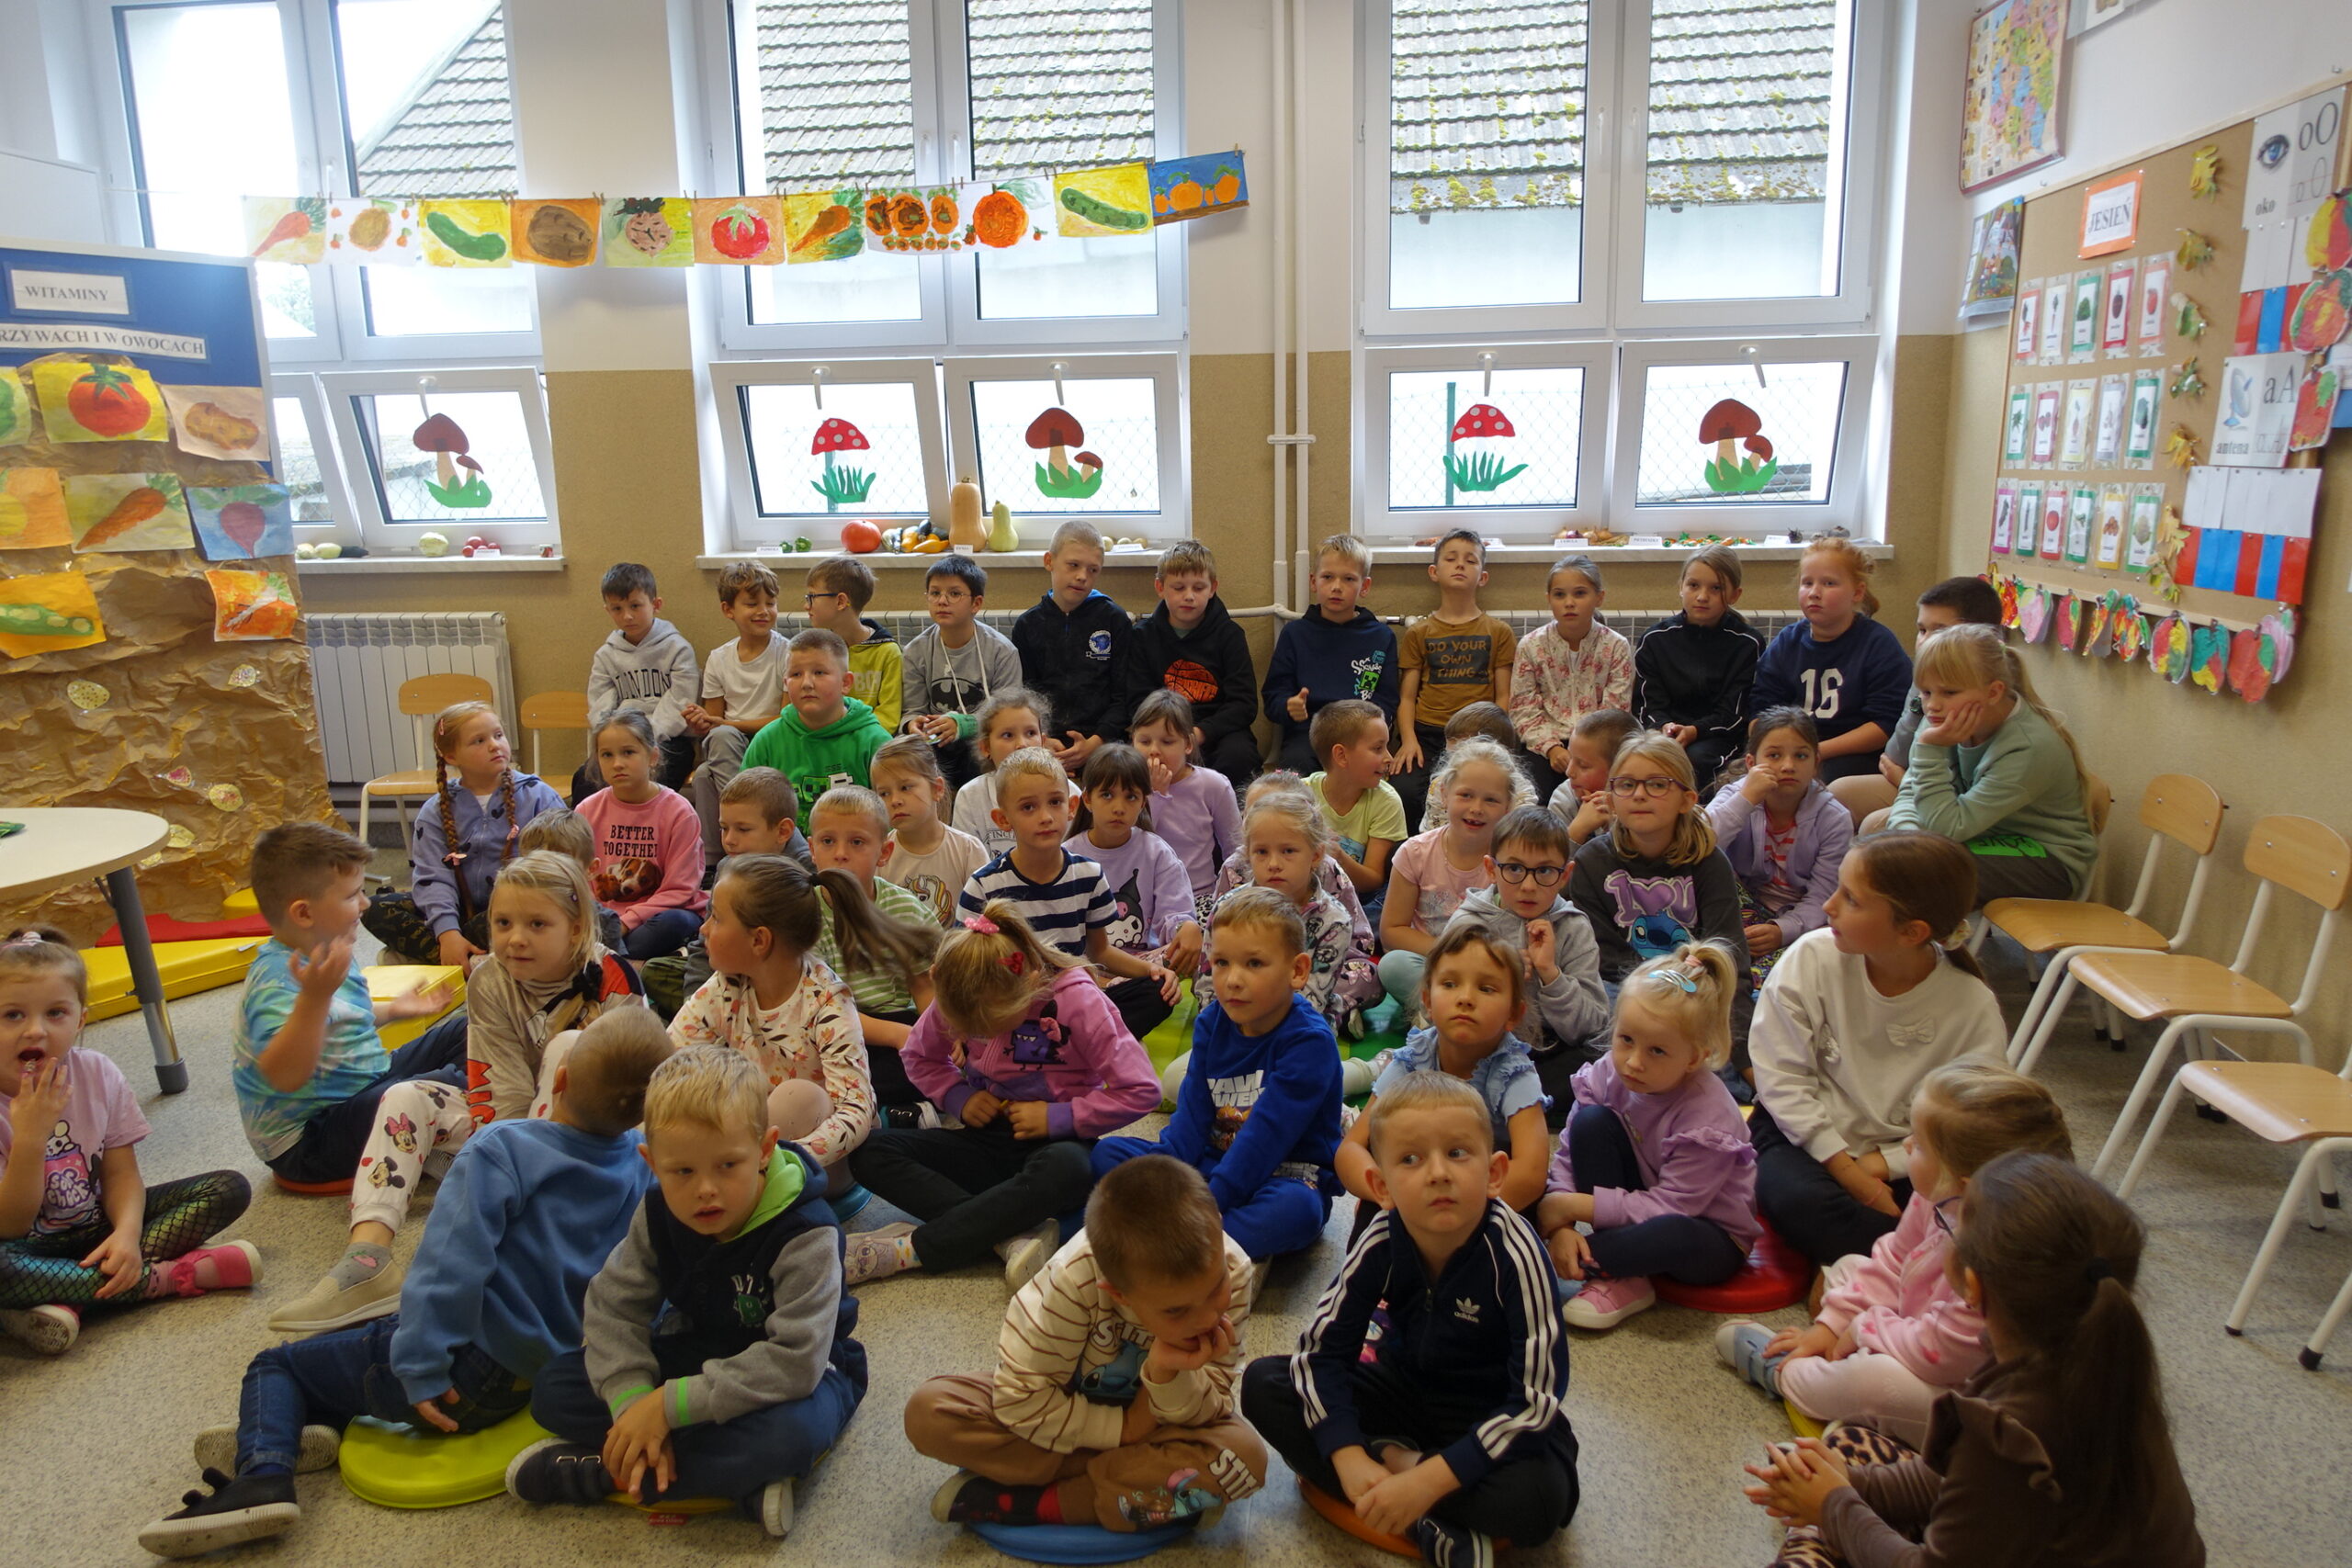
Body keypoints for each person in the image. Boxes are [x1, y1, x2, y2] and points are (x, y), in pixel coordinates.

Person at [138, 1010, 670, 1559]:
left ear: (557, 1080)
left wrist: (419, 1365)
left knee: (279, 1366)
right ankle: (299, 1428)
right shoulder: (641, 1170)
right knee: (352, 1347)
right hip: (532, 1376)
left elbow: (448, 1266)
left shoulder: (504, 1148)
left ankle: (262, 1478)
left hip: (461, 1374)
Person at [1740, 1152, 2206, 1568]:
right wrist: (1853, 1486)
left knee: (1830, 1504)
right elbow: (1952, 1478)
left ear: (1972, 1284)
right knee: (1849, 1447)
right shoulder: (2101, 1360)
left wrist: (1833, 1507)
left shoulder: (2007, 1432)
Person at [269, 852, 645, 1336]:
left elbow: (622, 1098)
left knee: (568, 1051)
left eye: (536, 924)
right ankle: (368, 1261)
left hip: (595, 1144)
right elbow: (496, 1086)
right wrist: (496, 1168)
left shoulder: (612, 977)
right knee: (405, 1097)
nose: (515, 938)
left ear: (574, 929)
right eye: (503, 923)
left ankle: (529, 1233)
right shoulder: (490, 977)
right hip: (516, 1130)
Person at [514, 1046, 866, 1536]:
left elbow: (796, 1362)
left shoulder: (807, 1232)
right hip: (698, 1353)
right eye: (683, 1171)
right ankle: (727, 1480)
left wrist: (664, 1408)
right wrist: (633, 1404)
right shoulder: (659, 1209)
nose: (705, 1190)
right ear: (652, 1163)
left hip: (804, 1374)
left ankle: (608, 1471)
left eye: (727, 1165)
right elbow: (613, 1307)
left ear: (765, 1149)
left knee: (788, 1438)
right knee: (554, 1389)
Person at [1241, 1073, 1579, 1564]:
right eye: (1411, 1160)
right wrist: (1346, 1454)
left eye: (1458, 1153)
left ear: (1494, 1173)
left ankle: (1401, 1476)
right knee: (1263, 1384)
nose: (1438, 1173)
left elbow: (1535, 1400)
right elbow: (1319, 1357)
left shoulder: (1515, 1251)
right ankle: (1418, 1511)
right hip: (1402, 1392)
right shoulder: (1382, 1237)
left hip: (1488, 1413)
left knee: (1539, 1501)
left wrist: (1427, 1478)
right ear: (1382, 1185)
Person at [1719, 1061, 2073, 1449]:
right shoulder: (1938, 1195)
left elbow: (1943, 1353)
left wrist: (1862, 1328)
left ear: (1964, 1184)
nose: (1905, 1146)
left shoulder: (2004, 1258)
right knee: (1849, 1267)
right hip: (1926, 1338)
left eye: (1919, 1144)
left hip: (1973, 1405)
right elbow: (1893, 1259)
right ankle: (1857, 1397)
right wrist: (1832, 1326)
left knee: (1875, 1383)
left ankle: (1785, 1375)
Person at [908, 1156, 1264, 1534]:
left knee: (1246, 1461)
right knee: (928, 1413)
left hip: (1155, 1426)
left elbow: (1212, 1407)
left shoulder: (1234, 1269)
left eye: (1215, 1288)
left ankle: (1037, 1501)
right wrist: (1126, 1430)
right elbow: (1022, 1400)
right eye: (1176, 1310)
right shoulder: (1072, 1279)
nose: (1207, 1318)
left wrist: (1167, 1375)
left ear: (1219, 1227)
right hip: (1070, 1408)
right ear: (1118, 1293)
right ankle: (1129, 1488)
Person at [846, 905, 1159, 1291]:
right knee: (867, 1151)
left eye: (987, 1028)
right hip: (987, 1137)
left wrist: (1057, 1117)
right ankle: (1004, 1233)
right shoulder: (959, 989)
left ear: (1028, 984)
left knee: (1071, 1169)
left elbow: (1141, 1089)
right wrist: (959, 1097)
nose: (976, 1037)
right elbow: (918, 1055)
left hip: (1057, 1144)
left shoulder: (1078, 1001)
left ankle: (918, 1248)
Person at [1747, 833, 2008, 1269]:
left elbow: (1971, 1121)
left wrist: (1882, 1165)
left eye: (1851, 899)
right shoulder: (1811, 956)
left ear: (1912, 932)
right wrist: (1851, 1175)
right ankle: (1899, 1263)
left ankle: (1864, 1263)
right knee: (1798, 1199)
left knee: (1980, 1212)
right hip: (1802, 1137)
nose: (1829, 906)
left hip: (1910, 1157)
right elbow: (1782, 1079)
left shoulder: (1971, 1004)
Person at [0, 927, 253, 1356]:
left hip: (96, 1225)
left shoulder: (98, 1072)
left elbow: (120, 1175)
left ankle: (64, 1294)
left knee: (229, 1187)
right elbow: (11, 1226)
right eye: (12, 1016)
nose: (35, 1031)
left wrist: (128, 1236)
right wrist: (29, 1138)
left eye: (56, 1013)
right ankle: (167, 1278)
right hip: (24, 1245)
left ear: (80, 1019)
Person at [1091, 890, 1342, 1259]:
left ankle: (1177, 1238)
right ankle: (1208, 1243)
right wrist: (1172, 1171)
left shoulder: (1309, 1041)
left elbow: (1266, 1139)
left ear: (1297, 971)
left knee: (1297, 1212)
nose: (1233, 980)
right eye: (1222, 962)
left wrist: (1211, 1201)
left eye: (1254, 963)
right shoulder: (1212, 1021)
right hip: (1210, 1165)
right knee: (1107, 1154)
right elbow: (1191, 1116)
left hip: (1285, 1173)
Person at [232, 824, 467, 1192]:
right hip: (310, 1141)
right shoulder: (276, 982)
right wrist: (314, 999)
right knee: (436, 1086)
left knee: (466, 1030)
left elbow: (337, 1016)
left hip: (364, 1086)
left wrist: (392, 1010)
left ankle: (455, 1115)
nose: (365, 903)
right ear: (304, 913)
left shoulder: (329, 945)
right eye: (352, 895)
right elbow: (283, 1075)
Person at [1539, 942, 1757, 1333]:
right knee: (1590, 1122)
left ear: (1694, 1057)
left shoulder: (1709, 1117)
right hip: (1640, 1204)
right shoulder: (1610, 1070)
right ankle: (1618, 1269)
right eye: (1626, 1040)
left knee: (1674, 1234)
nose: (1634, 1062)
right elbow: (1569, 1149)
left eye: (1657, 1051)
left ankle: (1592, 1262)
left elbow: (1674, 1207)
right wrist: (1561, 1226)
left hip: (1704, 1234)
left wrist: (1575, 1208)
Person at [670, 854, 898, 1190]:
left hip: (820, 1159)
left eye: (716, 918)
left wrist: (769, 1158)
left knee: (796, 1097)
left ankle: (741, 1185)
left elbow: (857, 1111)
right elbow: (671, 1059)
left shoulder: (825, 999)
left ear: (759, 940)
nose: (703, 929)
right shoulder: (726, 985)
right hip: (749, 1139)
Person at [1339, 922, 1553, 1225]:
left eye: (1486, 988)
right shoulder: (1414, 1058)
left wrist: (1460, 1215)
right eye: (1450, 984)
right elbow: (1352, 1148)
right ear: (1427, 1002)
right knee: (1374, 1207)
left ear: (1513, 1014)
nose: (1465, 998)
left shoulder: (1511, 1071)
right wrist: (1386, 1192)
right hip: (1414, 1195)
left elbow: (1531, 1174)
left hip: (1489, 1200)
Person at [959, 746, 1179, 1040]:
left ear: (1072, 806)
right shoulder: (984, 886)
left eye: (1055, 802)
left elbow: (1099, 951)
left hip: (1077, 999)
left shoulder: (1088, 874)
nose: (1046, 817)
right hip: (1017, 1005)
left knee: (1157, 991)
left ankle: (1074, 1041)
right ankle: (1081, 1042)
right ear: (1003, 819)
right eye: (1028, 807)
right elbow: (969, 966)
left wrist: (1152, 971)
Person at [1883, 624, 2098, 905]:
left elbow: (1948, 827)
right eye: (1925, 692)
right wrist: (1907, 838)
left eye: (1949, 692)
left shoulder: (2029, 747)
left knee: (1923, 874)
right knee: (1884, 855)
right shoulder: (1942, 718)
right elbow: (1911, 792)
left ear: (1994, 692)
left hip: (2045, 858)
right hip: (1977, 834)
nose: (1932, 705)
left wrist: (1929, 749)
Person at [1566, 733, 1750, 1037]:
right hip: (1623, 987)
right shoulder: (1591, 862)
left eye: (1657, 784)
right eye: (1627, 784)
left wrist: (1736, 1046)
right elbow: (1605, 962)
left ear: (1687, 800)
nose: (1639, 794)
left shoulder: (1710, 862)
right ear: (1610, 799)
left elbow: (1728, 955)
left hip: (1695, 987)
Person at [359, 699, 564, 967]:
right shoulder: (435, 811)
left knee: (508, 920)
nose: (494, 745)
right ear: (451, 757)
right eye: (479, 741)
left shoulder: (539, 796)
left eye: (498, 735)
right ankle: (461, 956)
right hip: (458, 912)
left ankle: (440, 959)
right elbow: (432, 877)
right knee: (374, 907)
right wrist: (447, 932)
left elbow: (561, 867)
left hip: (517, 913)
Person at [1441, 805, 1608, 1109]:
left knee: (1602, 1056)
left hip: (1548, 1050)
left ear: (1565, 875)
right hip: (1481, 1047)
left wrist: (1551, 974)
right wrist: (1496, 975)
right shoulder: (1468, 923)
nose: (1528, 886)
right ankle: (1510, 1101)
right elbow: (1441, 1007)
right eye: (1515, 869)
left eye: (1544, 871)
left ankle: (1501, 1100)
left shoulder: (1573, 927)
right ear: (1491, 869)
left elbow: (1590, 1025)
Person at [804, 785, 944, 1115]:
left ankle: (891, 1112)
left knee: (932, 1062)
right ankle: (890, 1114)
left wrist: (937, 1033)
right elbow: (818, 1008)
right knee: (816, 1073)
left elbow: (924, 986)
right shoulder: (804, 914)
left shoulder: (904, 907)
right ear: (812, 849)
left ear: (884, 851)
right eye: (828, 841)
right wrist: (897, 1035)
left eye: (857, 842)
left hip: (897, 1020)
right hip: (831, 1026)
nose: (841, 854)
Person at [1826, 576, 2003, 832]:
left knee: (1874, 827)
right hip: (1922, 781)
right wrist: (1920, 699)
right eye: (1922, 630)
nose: (1925, 641)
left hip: (1957, 802)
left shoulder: (1981, 694)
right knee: (1839, 793)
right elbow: (1896, 755)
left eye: (1939, 631)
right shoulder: (1930, 678)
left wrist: (1904, 780)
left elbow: (1957, 795)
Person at [1379, 736, 1531, 1012]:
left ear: (1508, 806)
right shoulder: (1415, 852)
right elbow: (1392, 932)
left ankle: (1450, 1015)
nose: (1476, 808)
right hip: (1433, 962)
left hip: (1490, 970)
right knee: (1393, 965)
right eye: (1466, 795)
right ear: (1445, 793)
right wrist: (1453, 954)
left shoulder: (1512, 863)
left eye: (1491, 800)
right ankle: (1454, 1015)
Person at [1706, 708, 1852, 990]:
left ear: (1816, 762)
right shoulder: (1737, 796)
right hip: (1737, 907)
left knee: (1783, 977)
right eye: (1774, 755)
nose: (1787, 766)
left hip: (1798, 919)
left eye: (1801, 756)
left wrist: (1781, 930)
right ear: (1751, 762)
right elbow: (1701, 846)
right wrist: (1747, 798)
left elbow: (1823, 896)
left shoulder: (1834, 818)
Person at [641, 767, 802, 1020]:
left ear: (782, 831)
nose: (729, 840)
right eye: (724, 828)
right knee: (655, 971)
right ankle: (718, 1016)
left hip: (780, 984)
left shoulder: (803, 874)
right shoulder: (728, 866)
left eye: (743, 829)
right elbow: (703, 944)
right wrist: (693, 1003)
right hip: (728, 969)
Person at [1752, 536, 1913, 784]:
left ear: (1857, 592)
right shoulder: (1787, 642)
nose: (1814, 593)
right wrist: (1770, 751)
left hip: (1852, 755)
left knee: (1820, 784)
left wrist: (1815, 753)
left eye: (1829, 583)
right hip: (1791, 751)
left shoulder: (1878, 644)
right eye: (1807, 583)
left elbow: (1885, 724)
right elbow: (1761, 708)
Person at [1223, 788, 1382, 1037]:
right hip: (1240, 1004)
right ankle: (1337, 1014)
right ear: (1247, 854)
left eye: (1288, 851)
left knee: (1368, 975)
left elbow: (1315, 993)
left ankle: (1335, 1012)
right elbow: (1211, 976)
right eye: (1262, 852)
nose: (1274, 864)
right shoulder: (1228, 907)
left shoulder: (1334, 918)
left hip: (1302, 1010)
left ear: (1316, 855)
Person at [1392, 530, 1518, 825]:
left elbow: (1503, 697)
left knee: (1473, 796)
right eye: (1451, 559)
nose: (1460, 564)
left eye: (1470, 560)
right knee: (1405, 793)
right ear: (1434, 572)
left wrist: (1496, 742)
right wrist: (1408, 740)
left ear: (1483, 577)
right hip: (1427, 735)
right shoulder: (1419, 633)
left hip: (1479, 735)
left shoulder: (1499, 632)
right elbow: (1407, 697)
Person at [1121, 540, 1260, 794]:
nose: (1189, 596)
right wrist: (1170, 737)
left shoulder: (1230, 635)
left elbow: (1244, 703)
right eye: (1178, 587)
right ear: (1160, 587)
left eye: (1198, 587)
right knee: (1132, 761)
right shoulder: (1142, 637)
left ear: (1212, 588)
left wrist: (1200, 733)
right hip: (1162, 732)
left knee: (1239, 756)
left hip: (1217, 732)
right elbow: (1137, 701)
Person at [575, 708, 707, 960]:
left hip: (656, 918)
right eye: (607, 754)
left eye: (628, 752)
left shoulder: (679, 812)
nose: (617, 763)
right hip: (603, 919)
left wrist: (626, 923)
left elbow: (680, 889)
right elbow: (578, 879)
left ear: (653, 756)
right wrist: (602, 920)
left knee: (676, 922)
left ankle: (609, 957)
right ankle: (619, 957)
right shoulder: (586, 810)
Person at [1070, 744, 1204, 992]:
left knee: (1192, 954)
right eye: (1107, 795)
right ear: (1087, 799)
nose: (1119, 807)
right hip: (1085, 970)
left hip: (1143, 967)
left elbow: (1175, 913)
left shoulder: (1157, 852)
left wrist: (1186, 928)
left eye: (1130, 797)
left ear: (1143, 802)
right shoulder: (1068, 856)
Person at [1264, 533, 1400, 774]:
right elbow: (1273, 696)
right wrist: (1289, 706)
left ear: (1365, 586)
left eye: (1349, 579)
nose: (1337, 587)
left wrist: (1370, 731)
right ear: (1313, 581)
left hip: (1361, 737)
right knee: (1296, 768)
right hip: (1308, 735)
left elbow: (1387, 701)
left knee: (1370, 771)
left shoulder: (1381, 637)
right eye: (1328, 577)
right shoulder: (1295, 634)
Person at [1632, 545, 1764, 790]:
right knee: (1644, 760)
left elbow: (1735, 713)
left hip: (1719, 736)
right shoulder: (1655, 639)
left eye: (1716, 588)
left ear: (1735, 594)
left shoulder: (1747, 643)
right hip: (1664, 733)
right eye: (1693, 585)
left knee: (1695, 761)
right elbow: (1647, 705)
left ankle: (1696, 814)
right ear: (1681, 587)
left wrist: (1695, 730)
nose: (1702, 596)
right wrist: (1665, 727)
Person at [683, 561, 787, 863]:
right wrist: (701, 721)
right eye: (752, 604)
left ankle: (746, 827)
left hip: (772, 741)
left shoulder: (787, 652)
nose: (764, 611)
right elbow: (714, 724)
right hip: (731, 745)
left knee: (706, 773)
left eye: (771, 603)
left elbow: (786, 719)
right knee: (708, 764)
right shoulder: (719, 659)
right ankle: (716, 863)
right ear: (728, 610)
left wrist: (728, 724)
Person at [1510, 553, 1634, 804]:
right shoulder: (1531, 646)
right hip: (1544, 746)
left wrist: (1584, 754)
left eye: (1579, 593)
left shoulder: (1616, 646)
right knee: (1533, 798)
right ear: (1549, 599)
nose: (1569, 603)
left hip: (1598, 747)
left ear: (1599, 597)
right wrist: (1552, 748)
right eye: (1559, 595)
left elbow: (1615, 711)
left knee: (1600, 796)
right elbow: (1523, 709)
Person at [1012, 521, 1132, 773]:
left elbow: (1123, 697)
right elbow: (1026, 696)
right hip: (1045, 741)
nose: (1082, 576)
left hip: (1104, 742)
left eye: (1093, 569)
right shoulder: (1027, 625)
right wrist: (1042, 739)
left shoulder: (1114, 620)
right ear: (1049, 561)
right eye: (1073, 565)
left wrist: (1096, 742)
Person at [900, 553, 1022, 793]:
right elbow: (912, 710)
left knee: (981, 750)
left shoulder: (1002, 651)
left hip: (983, 741)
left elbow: (1009, 717)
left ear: (976, 603)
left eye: (954, 594)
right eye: (935, 593)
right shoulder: (916, 651)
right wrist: (913, 724)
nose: (942, 601)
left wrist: (964, 725)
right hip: (936, 743)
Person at [578, 561, 699, 796]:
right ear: (607, 610)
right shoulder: (606, 655)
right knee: (585, 780)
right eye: (617, 609)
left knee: (651, 778)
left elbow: (680, 703)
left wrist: (642, 739)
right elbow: (600, 706)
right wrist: (619, 738)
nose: (627, 616)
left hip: (667, 741)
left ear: (656, 605)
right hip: (618, 741)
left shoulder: (677, 649)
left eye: (635, 606)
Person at [740, 627, 893, 810]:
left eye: (819, 672)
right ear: (786, 683)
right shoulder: (767, 741)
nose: (806, 683)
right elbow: (746, 809)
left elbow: (893, 812)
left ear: (845, 683)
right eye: (796, 674)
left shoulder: (875, 742)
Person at [1129, 688, 1244, 921]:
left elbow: (1236, 849)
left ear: (1188, 744)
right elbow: (1130, 844)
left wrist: (1234, 894)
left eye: (1167, 742)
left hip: (1197, 897)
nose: (1154, 751)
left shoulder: (1213, 785)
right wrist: (1154, 795)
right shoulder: (1126, 787)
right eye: (1144, 741)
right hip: (1141, 899)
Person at [873, 734, 990, 925]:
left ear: (937, 789)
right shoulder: (880, 855)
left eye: (905, 787)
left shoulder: (968, 850)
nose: (895, 800)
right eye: (884, 793)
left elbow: (984, 920)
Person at [1306, 698, 1406, 907]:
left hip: (1360, 898)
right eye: (1378, 748)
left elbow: (1373, 880)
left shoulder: (1386, 801)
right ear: (1341, 755)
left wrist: (1338, 856)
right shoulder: (1301, 795)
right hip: (1304, 890)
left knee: (1390, 894)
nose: (1389, 757)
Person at [804, 552, 901, 733]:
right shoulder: (819, 650)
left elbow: (889, 717)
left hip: (870, 741)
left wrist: (851, 738)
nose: (806, 606)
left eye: (812, 597)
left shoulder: (888, 652)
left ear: (841, 601)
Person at [951, 687, 1053, 859]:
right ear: (986, 747)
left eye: (1030, 733)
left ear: (1043, 742)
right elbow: (964, 860)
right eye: (1008, 735)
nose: (1022, 744)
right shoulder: (970, 796)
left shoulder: (1065, 791)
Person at [516, 807, 628, 952]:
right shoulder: (514, 913)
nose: (547, 877)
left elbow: (613, 965)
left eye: (561, 868)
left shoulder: (603, 921)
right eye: (535, 868)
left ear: (591, 869)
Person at [1547, 706, 1638, 849]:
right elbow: (1552, 860)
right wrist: (1576, 831)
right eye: (1571, 758)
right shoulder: (1565, 799)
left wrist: (1619, 825)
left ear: (1619, 771)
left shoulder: (1642, 801)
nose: (1569, 772)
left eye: (1583, 766)